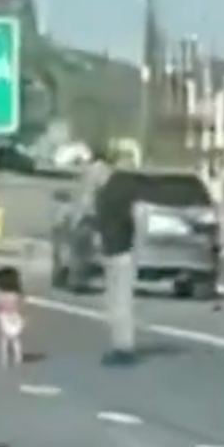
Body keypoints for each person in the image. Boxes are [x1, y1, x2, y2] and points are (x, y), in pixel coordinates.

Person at [92, 153, 139, 367]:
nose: (93, 176)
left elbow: (132, 219)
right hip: (111, 252)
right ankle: (119, 344)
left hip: (122, 252)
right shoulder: (103, 193)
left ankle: (124, 348)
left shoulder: (118, 192)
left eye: (96, 172)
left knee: (121, 301)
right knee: (113, 302)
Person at [0, 265, 26, 368]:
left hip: (4, 316)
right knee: (15, 338)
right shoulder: (17, 294)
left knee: (5, 338)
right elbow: (21, 304)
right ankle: (18, 356)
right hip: (15, 316)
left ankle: (5, 357)